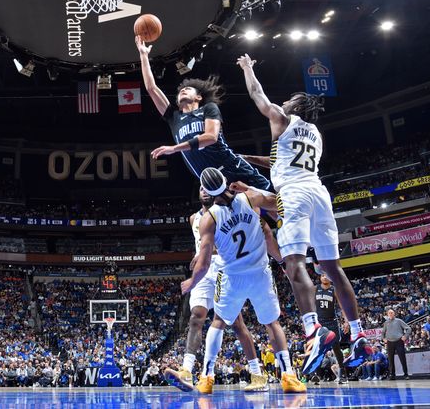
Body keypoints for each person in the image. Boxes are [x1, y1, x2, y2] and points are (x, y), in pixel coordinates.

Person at [237, 54, 369, 374]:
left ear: (295, 107)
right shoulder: (315, 135)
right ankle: (360, 334)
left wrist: (248, 68)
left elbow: (258, 96)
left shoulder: (282, 118)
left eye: (290, 99)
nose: (285, 100)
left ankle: (313, 332)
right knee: (333, 269)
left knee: (293, 261)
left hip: (293, 195)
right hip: (319, 193)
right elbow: (281, 161)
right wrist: (247, 158)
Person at [181, 167, 307, 394]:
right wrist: (283, 262)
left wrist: (191, 282)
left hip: (232, 276)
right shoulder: (250, 198)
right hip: (260, 273)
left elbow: (205, 261)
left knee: (218, 321)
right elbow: (277, 207)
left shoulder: (209, 219)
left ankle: (206, 377)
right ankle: (289, 376)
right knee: (271, 323)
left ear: (208, 191)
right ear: (226, 181)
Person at [164, 187, 272, 394]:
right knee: (196, 316)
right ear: (197, 193)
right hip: (203, 271)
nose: (204, 192)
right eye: (201, 188)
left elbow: (227, 240)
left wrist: (206, 252)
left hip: (225, 266)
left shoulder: (223, 211)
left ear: (215, 191)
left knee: (237, 323)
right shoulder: (193, 218)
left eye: (208, 188)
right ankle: (186, 371)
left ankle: (257, 373)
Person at [136, 36, 270, 189]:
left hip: (233, 169)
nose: (183, 91)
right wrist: (144, 55)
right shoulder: (174, 117)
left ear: (198, 97)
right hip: (210, 182)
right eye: (180, 91)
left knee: (269, 207)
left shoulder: (208, 108)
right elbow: (151, 89)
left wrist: (174, 148)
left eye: (187, 89)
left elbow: (211, 137)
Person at [313, 272, 347, 383]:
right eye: (323, 275)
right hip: (320, 322)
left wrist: (346, 321)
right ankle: (317, 375)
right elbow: (309, 305)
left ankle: (342, 373)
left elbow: (343, 306)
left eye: (327, 275)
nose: (325, 277)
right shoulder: (315, 289)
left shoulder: (334, 289)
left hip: (332, 322)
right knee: (318, 349)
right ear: (320, 277)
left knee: (336, 348)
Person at [382, 309, 411, 380]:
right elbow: (383, 333)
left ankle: (406, 374)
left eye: (392, 313)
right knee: (390, 360)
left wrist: (405, 336)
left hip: (399, 341)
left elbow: (409, 328)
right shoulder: (386, 323)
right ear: (387, 315)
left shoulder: (399, 321)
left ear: (394, 313)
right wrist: (383, 339)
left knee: (402, 358)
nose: (390, 314)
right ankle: (392, 375)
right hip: (389, 343)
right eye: (389, 313)